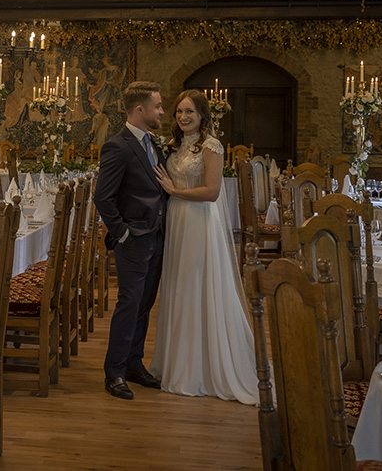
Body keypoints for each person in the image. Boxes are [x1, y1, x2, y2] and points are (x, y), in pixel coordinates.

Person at [149, 89, 258, 405]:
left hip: (198, 221)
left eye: (189, 113)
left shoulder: (212, 146)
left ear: (202, 116)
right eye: (179, 112)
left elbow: (211, 192)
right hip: (177, 220)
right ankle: (177, 362)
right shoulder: (174, 145)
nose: (183, 117)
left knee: (198, 285)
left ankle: (200, 368)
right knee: (179, 287)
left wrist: (174, 190)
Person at [93, 81, 168, 400]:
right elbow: (103, 197)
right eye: (158, 107)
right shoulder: (118, 146)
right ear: (140, 110)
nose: (162, 112)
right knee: (128, 303)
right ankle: (114, 372)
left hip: (157, 237)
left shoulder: (152, 142)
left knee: (145, 304)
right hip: (133, 239)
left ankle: (134, 364)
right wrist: (122, 233)